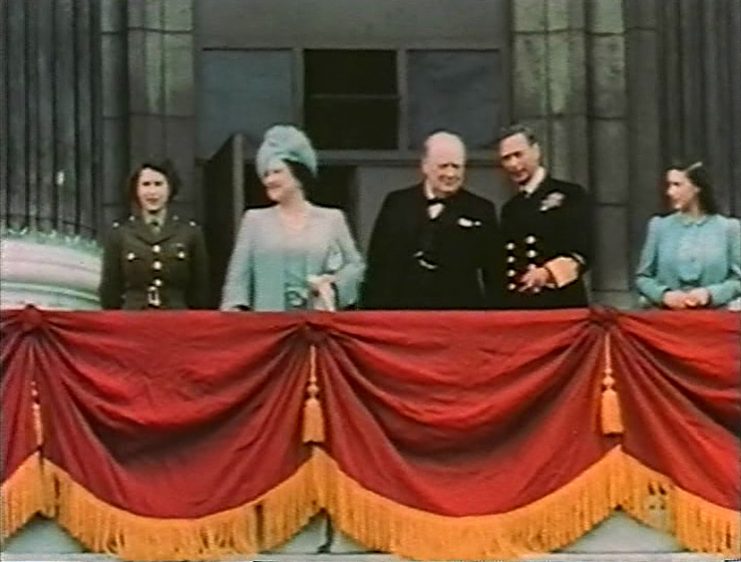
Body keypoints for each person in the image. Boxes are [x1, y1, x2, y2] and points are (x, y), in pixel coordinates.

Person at [220, 125, 364, 311]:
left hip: (318, 325)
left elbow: (355, 267)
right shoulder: (254, 220)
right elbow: (237, 279)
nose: (268, 180)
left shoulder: (332, 219)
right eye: (265, 174)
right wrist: (235, 314)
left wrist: (333, 286)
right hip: (270, 326)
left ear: (297, 174)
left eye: (276, 172)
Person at [363, 131, 502, 309]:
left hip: (460, 317)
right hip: (404, 316)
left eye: (457, 166)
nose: (451, 174)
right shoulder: (397, 203)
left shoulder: (481, 209)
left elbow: (494, 275)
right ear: (425, 166)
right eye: (443, 166)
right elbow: (378, 265)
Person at [497, 124, 592, 309]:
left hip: (560, 305)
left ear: (536, 151)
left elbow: (582, 253)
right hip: (521, 310)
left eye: (518, 155)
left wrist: (547, 273)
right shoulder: (510, 208)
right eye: (506, 158)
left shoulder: (570, 195)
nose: (513, 164)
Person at [99, 160, 210, 309]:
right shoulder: (120, 233)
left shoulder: (190, 233)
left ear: (170, 188)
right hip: (133, 321)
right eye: (146, 184)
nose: (152, 192)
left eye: (158, 184)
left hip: (177, 321)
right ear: (136, 190)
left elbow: (200, 291)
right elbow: (110, 291)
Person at [635, 161, 741, 309]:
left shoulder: (729, 228)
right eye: (669, 185)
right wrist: (664, 295)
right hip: (666, 319)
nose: (670, 192)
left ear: (697, 187)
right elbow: (643, 277)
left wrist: (710, 294)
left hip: (714, 320)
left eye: (677, 185)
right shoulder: (659, 226)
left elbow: (738, 280)